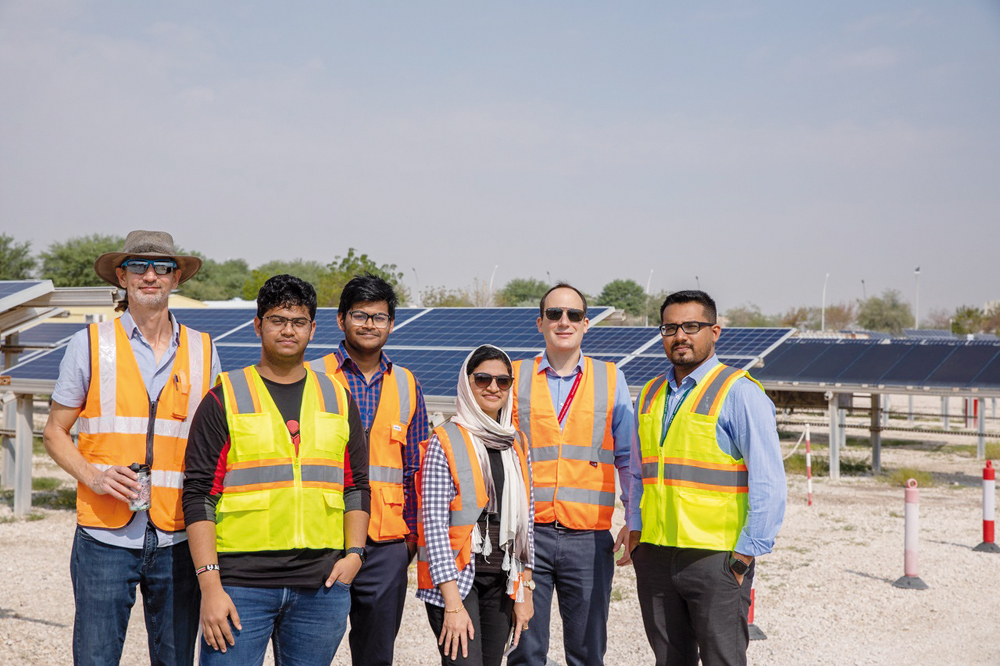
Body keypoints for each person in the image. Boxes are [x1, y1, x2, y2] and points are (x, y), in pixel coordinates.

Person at [42, 230, 220, 665]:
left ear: (177, 279)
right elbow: (54, 431)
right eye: (139, 266)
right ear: (122, 276)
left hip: (178, 534)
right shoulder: (89, 343)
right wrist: (94, 476)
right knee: (96, 659)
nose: (151, 275)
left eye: (162, 267)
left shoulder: (204, 349)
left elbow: (214, 445)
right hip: (104, 536)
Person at [182, 275, 370, 666]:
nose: (288, 329)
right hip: (240, 587)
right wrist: (210, 586)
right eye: (277, 319)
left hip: (322, 587)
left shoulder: (337, 396)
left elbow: (356, 486)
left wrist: (354, 554)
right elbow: (199, 494)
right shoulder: (225, 396)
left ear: (313, 329)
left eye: (299, 321)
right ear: (258, 325)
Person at [622, 290, 787, 666]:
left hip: (717, 558)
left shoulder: (739, 393)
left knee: (722, 659)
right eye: (670, 327)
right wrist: (634, 528)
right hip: (655, 555)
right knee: (668, 659)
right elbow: (637, 472)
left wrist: (745, 555)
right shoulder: (648, 394)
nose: (680, 336)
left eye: (691, 326)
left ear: (714, 331)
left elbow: (769, 481)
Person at [507, 283, 636, 666]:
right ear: (540, 323)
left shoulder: (611, 378)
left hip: (589, 540)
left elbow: (628, 457)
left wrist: (634, 518)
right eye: (554, 314)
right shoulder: (513, 377)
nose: (564, 322)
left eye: (574, 315)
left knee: (586, 649)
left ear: (586, 324)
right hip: (527, 535)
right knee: (526, 648)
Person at [304, 273, 430, 666]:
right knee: (307, 652)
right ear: (340, 320)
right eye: (360, 315)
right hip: (321, 536)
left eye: (379, 317)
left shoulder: (408, 384)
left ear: (391, 324)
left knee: (376, 656)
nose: (370, 325)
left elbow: (416, 471)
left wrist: (408, 542)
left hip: (386, 545)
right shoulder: (311, 375)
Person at [416, 345, 535, 666]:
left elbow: (528, 521)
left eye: (503, 381)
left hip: (502, 580)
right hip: (457, 580)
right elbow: (434, 528)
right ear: (467, 383)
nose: (493, 387)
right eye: (483, 379)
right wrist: (452, 604)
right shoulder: (446, 439)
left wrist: (525, 592)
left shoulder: (517, 442)